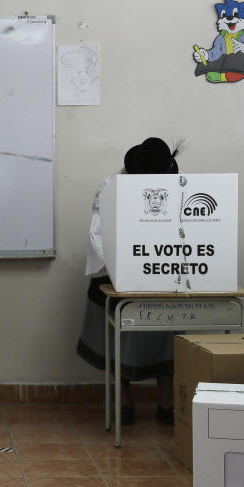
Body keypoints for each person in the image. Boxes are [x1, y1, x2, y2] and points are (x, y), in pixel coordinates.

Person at [76, 137, 182, 425]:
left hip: (160, 272)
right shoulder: (111, 186)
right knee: (116, 338)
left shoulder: (176, 186)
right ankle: (124, 402)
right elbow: (96, 234)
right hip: (114, 273)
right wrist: (121, 267)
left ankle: (167, 402)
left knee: (166, 335)